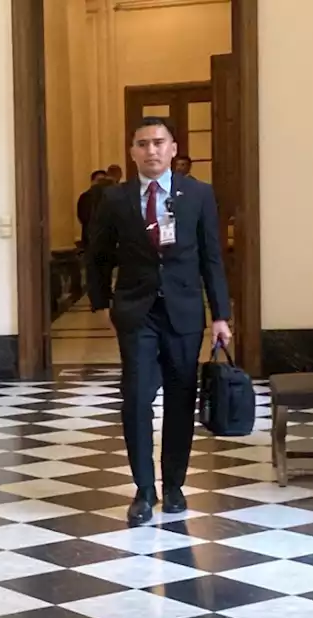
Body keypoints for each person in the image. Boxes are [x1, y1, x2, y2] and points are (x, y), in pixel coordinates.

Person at [85, 116, 231, 528]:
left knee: (181, 400)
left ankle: (175, 486)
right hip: (137, 312)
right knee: (135, 399)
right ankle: (143, 490)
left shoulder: (198, 194)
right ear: (132, 151)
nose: (151, 150)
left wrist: (221, 314)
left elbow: (212, 257)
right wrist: (100, 304)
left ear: (173, 149)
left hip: (184, 313)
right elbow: (97, 255)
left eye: (158, 142)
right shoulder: (115, 199)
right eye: (142, 143)